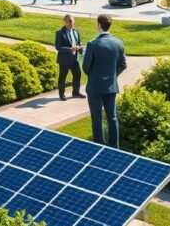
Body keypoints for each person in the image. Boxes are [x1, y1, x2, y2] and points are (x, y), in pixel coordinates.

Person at [82, 14, 126, 148]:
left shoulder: (93, 44)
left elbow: (86, 67)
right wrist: (113, 75)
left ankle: (99, 147)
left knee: (97, 119)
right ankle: (115, 147)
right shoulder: (118, 43)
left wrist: (95, 75)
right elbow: (123, 65)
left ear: (99, 25)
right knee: (112, 117)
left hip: (95, 87)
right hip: (111, 87)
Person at [54, 14, 83, 101]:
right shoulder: (60, 33)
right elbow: (58, 47)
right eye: (70, 21)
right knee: (62, 77)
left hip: (75, 59)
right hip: (64, 60)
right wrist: (70, 49)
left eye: (73, 21)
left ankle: (76, 92)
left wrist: (80, 48)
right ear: (65, 22)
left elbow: (78, 42)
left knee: (77, 75)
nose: (72, 23)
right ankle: (62, 94)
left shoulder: (76, 31)